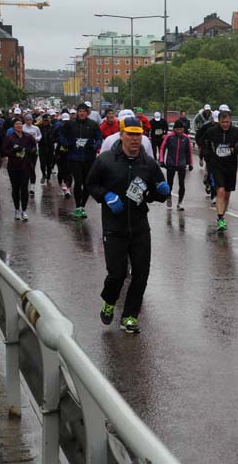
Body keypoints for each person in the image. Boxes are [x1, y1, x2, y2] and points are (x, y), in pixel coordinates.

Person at [86, 117, 170, 334]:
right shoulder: (106, 160)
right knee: (117, 274)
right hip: (114, 227)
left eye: (138, 134)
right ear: (121, 135)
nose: (134, 138)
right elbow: (91, 184)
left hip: (140, 226)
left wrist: (162, 191)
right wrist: (106, 196)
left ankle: (130, 315)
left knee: (141, 273)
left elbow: (155, 194)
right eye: (130, 134)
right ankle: (109, 301)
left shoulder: (148, 164)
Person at [202, 110, 238, 232]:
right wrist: (207, 155)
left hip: (231, 166)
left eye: (227, 122)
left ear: (230, 120)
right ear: (219, 121)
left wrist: (237, 149)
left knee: (227, 194)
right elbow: (203, 142)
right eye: (223, 122)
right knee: (220, 191)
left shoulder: (236, 132)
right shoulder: (212, 131)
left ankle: (222, 215)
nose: (225, 125)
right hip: (217, 165)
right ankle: (220, 218)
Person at [59, 103, 103, 220]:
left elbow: (99, 138)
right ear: (77, 113)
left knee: (87, 183)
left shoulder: (92, 124)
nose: (82, 113)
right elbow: (61, 135)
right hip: (74, 158)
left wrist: (96, 145)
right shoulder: (70, 124)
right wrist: (65, 143)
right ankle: (78, 207)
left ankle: (83, 206)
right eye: (80, 111)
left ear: (87, 113)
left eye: (84, 111)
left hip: (89, 158)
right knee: (78, 182)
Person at [1, 118, 37, 221]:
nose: (19, 126)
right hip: (13, 166)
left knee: (24, 188)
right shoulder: (9, 137)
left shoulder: (28, 136)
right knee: (15, 189)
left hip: (25, 166)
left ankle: (24, 211)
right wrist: (14, 150)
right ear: (13, 126)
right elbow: (4, 150)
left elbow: (34, 146)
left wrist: (30, 151)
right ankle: (17, 210)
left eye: (20, 124)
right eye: (16, 124)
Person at [159, 119, 193, 211]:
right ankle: (168, 196)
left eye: (181, 129)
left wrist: (190, 163)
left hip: (182, 164)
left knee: (182, 183)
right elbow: (162, 148)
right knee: (170, 183)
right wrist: (161, 160)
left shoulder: (186, 138)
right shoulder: (169, 137)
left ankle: (180, 202)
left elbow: (189, 151)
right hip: (171, 163)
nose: (179, 131)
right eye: (177, 129)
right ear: (174, 129)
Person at [53, 113, 73, 198]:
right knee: (61, 170)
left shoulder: (73, 129)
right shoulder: (58, 128)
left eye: (67, 121)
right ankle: (61, 185)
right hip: (59, 152)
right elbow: (52, 138)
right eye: (64, 121)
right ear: (61, 121)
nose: (65, 123)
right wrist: (59, 141)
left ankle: (68, 189)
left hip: (70, 152)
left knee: (69, 171)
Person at [22, 114, 42, 195]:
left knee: (32, 167)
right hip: (24, 150)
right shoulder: (22, 127)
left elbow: (40, 135)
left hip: (34, 150)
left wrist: (36, 139)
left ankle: (32, 186)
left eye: (30, 120)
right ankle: (25, 184)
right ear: (25, 120)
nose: (29, 121)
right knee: (24, 167)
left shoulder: (36, 128)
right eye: (27, 120)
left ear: (32, 120)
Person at [37, 114, 55, 185]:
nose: (46, 122)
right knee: (42, 163)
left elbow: (56, 136)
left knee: (49, 164)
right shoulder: (39, 127)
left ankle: (48, 178)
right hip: (42, 148)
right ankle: (44, 175)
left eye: (47, 120)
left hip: (50, 148)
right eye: (44, 120)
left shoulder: (52, 127)